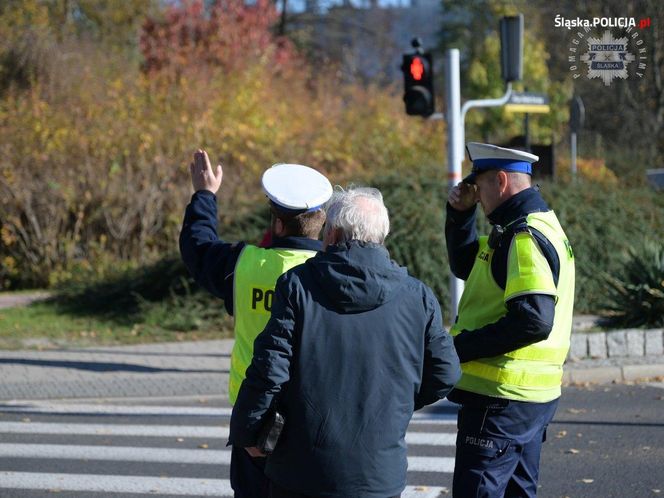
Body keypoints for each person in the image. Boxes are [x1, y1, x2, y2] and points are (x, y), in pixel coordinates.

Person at [228, 186, 461, 498]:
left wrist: (247, 434)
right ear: (382, 234)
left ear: (333, 235)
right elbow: (445, 372)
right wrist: (398, 401)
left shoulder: (298, 285)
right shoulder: (416, 295)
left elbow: (270, 368)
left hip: (301, 471)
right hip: (378, 474)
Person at [179, 150, 332, 498]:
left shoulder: (244, 264)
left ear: (277, 223)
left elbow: (197, 246)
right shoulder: (333, 273)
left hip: (255, 417)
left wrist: (205, 195)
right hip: (315, 419)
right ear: (321, 220)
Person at [445, 142, 576, 497]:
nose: (478, 195)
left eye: (480, 186)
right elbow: (467, 266)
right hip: (528, 400)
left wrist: (460, 348)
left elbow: (534, 319)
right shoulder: (531, 226)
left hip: (500, 399)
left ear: (501, 181)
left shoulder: (523, 236)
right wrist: (459, 216)